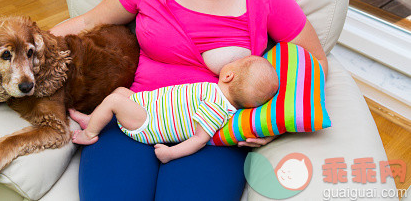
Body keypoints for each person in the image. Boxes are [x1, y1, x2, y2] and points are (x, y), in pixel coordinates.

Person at [51, 0, 328, 201]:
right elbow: (89, 20)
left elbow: (315, 60)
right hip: (136, 113)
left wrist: (271, 124)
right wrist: (27, 47)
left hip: (211, 131)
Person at [70, 56, 279, 164]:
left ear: (228, 76)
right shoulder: (217, 95)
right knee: (120, 92)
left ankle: (89, 133)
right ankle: (92, 118)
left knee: (114, 100)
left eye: (235, 62)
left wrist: (171, 153)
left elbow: (199, 139)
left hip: (148, 122)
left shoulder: (218, 108)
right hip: (146, 105)